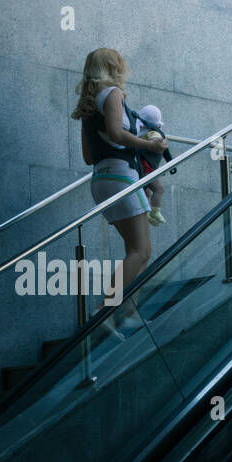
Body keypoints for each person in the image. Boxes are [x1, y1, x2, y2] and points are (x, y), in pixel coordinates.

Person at [72, 48, 167, 329]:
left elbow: (89, 157)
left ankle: (126, 313)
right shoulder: (112, 93)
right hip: (121, 176)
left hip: (100, 180)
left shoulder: (88, 106)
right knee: (142, 250)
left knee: (135, 250)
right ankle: (106, 311)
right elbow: (116, 133)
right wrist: (150, 145)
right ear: (114, 67)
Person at [136, 103, 171, 226]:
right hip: (147, 169)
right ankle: (155, 211)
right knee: (158, 188)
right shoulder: (153, 132)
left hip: (139, 169)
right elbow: (155, 141)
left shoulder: (139, 133)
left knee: (147, 192)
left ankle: (147, 214)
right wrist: (163, 141)